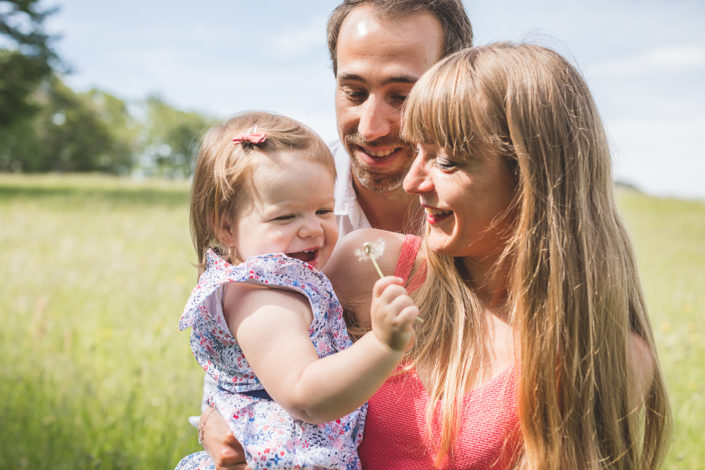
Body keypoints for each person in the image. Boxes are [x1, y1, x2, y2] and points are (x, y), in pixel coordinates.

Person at [203, 42, 673, 469]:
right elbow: (258, 372)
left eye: (447, 161)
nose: (413, 182)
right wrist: (217, 424)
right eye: (418, 153)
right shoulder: (370, 268)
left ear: (533, 178)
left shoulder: (602, 353)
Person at [196, 1, 475, 466]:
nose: (371, 127)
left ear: (451, 89)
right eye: (354, 92)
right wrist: (214, 421)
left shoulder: (490, 215)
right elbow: (238, 371)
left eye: (400, 96)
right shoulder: (280, 206)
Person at [176, 111, 419, 470]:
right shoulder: (263, 300)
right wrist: (383, 344)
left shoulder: (271, 284)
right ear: (226, 227)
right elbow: (306, 395)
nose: (311, 229)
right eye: (285, 217)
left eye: (323, 210)